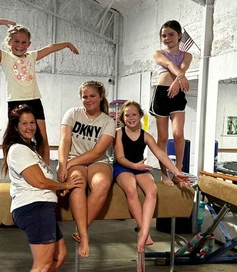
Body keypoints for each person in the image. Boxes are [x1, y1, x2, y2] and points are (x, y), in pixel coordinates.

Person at [2, 104, 83, 272]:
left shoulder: (33, 151)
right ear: (16, 127)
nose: (29, 127)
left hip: (43, 207)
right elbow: (37, 182)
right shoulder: (18, 149)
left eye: (32, 123)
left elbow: (45, 181)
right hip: (33, 207)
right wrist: (64, 184)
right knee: (43, 262)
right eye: (24, 123)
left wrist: (59, 187)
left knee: (60, 256)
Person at [0, 18, 79, 164]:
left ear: (29, 44)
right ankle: (19, 170)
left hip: (34, 100)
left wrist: (67, 44)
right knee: (17, 139)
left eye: (23, 42)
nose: (20, 46)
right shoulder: (5, 58)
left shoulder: (32, 56)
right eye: (16, 41)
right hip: (16, 102)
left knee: (42, 138)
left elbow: (50, 47)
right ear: (9, 42)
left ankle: (45, 171)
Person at [113, 100, 190, 253]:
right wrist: (135, 166)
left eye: (134, 114)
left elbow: (160, 153)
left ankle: (144, 230)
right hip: (123, 167)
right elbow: (120, 157)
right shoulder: (118, 133)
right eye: (127, 115)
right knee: (131, 189)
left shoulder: (145, 136)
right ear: (122, 118)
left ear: (140, 115)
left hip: (140, 168)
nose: (131, 118)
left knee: (152, 191)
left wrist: (176, 171)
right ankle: (143, 230)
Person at [57, 81, 116, 258]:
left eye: (92, 96)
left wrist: (68, 164)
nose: (88, 100)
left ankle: (82, 230)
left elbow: (97, 151)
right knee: (77, 182)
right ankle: (84, 236)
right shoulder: (72, 113)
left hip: (97, 161)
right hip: (73, 160)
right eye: (85, 96)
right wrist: (62, 164)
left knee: (102, 183)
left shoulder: (108, 121)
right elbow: (65, 141)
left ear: (100, 97)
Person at [149, 20, 192, 186]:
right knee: (163, 137)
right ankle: (165, 173)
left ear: (180, 35)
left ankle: (178, 170)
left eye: (171, 34)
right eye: (164, 35)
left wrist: (177, 80)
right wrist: (179, 78)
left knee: (178, 134)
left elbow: (182, 66)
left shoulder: (187, 55)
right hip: (161, 94)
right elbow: (168, 64)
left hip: (177, 95)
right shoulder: (158, 53)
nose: (167, 38)